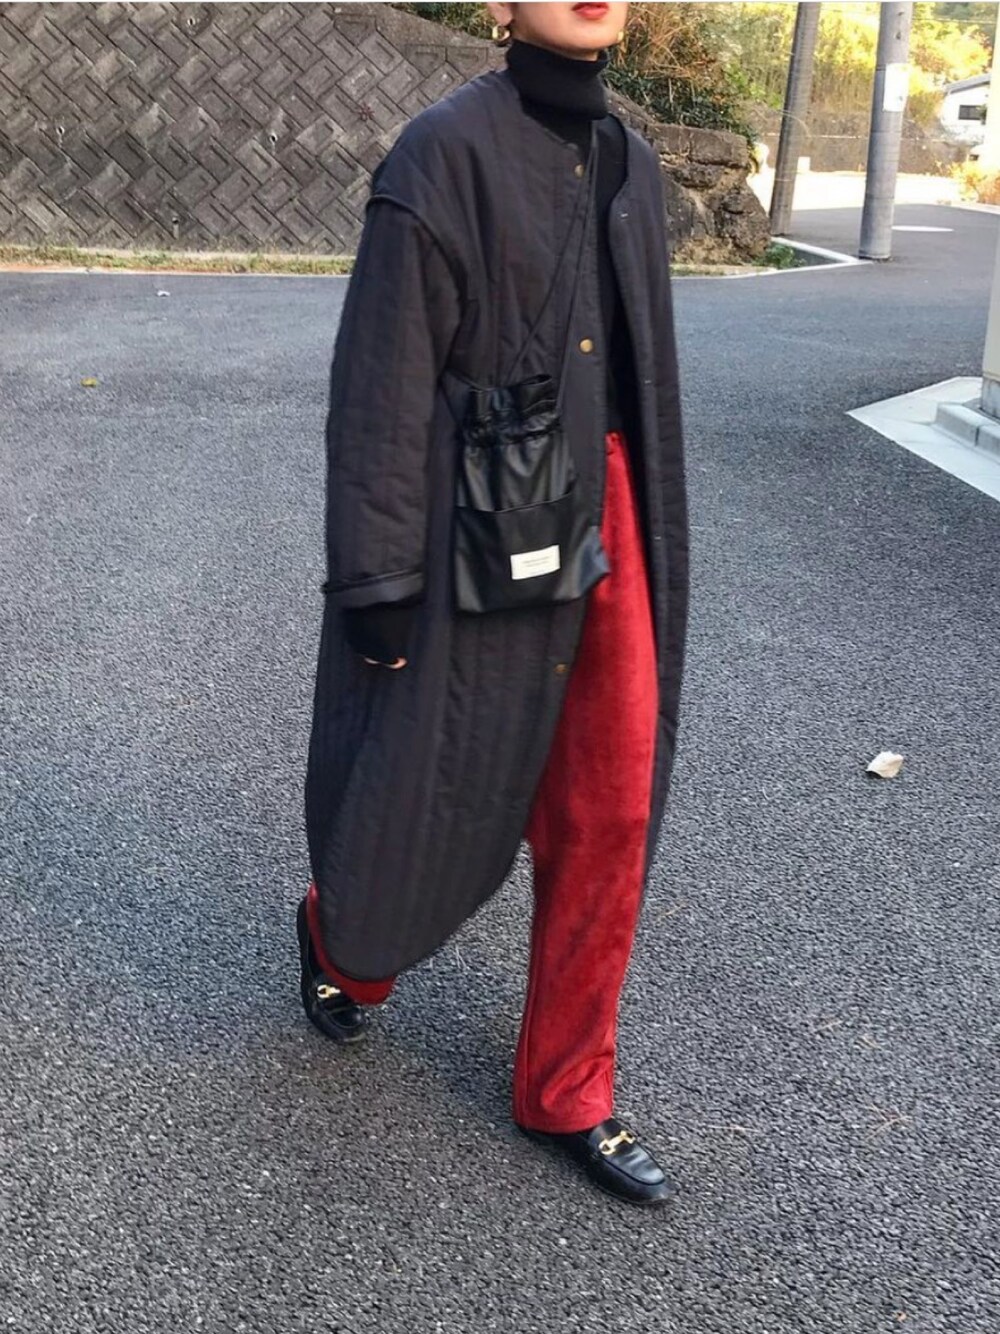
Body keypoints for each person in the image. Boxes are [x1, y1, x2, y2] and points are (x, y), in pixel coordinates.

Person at [299, 0, 688, 1206]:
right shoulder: (440, 153)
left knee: (611, 806)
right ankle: (344, 943)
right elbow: (380, 377)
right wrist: (375, 578)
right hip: (484, 509)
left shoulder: (634, 163)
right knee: (433, 780)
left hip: (611, 513)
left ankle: (568, 1084)